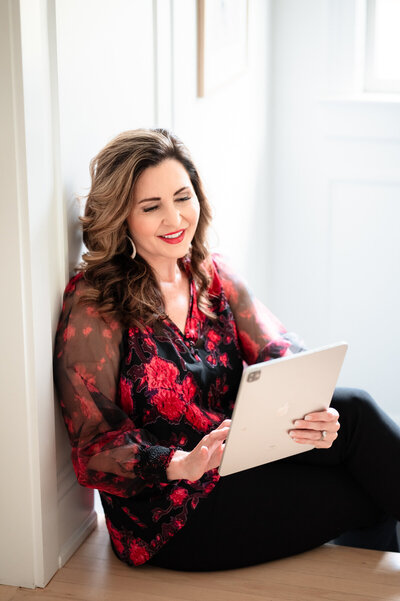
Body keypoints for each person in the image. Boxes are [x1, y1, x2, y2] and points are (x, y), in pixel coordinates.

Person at [54, 128, 400, 572]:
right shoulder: (94, 302)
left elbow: (281, 349)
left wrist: (315, 411)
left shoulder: (210, 274)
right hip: (169, 513)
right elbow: (93, 444)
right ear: (122, 217)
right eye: (151, 207)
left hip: (237, 459)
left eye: (183, 197)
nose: (175, 218)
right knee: (371, 488)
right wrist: (181, 463)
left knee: (352, 410)